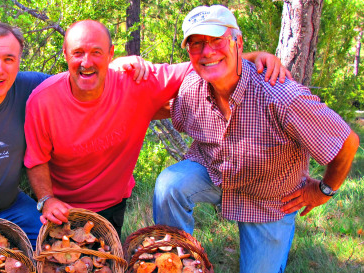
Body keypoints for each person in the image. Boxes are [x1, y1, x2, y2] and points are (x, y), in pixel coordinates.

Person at [153, 5, 360, 273]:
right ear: (189, 52)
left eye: (216, 40)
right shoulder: (192, 87)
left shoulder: (282, 98)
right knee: (169, 185)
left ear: (238, 42)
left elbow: (347, 142)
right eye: (197, 43)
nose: (207, 51)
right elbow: (160, 106)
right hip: (215, 175)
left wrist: (324, 189)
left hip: (270, 197)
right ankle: (175, 263)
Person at [24, 19, 288, 237]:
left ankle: (181, 253)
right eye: (78, 53)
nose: (87, 62)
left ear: (111, 53)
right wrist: (47, 200)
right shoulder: (43, 101)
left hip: (110, 206)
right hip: (60, 208)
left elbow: (201, 66)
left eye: (96, 52)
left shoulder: (135, 82)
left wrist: (253, 57)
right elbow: (36, 159)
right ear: (65, 54)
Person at [0, 22, 152, 255]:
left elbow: (79, 78)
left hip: (11, 205)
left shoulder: (31, 88)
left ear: (18, 62)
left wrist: (114, 66)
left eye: (9, 59)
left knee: (56, 250)